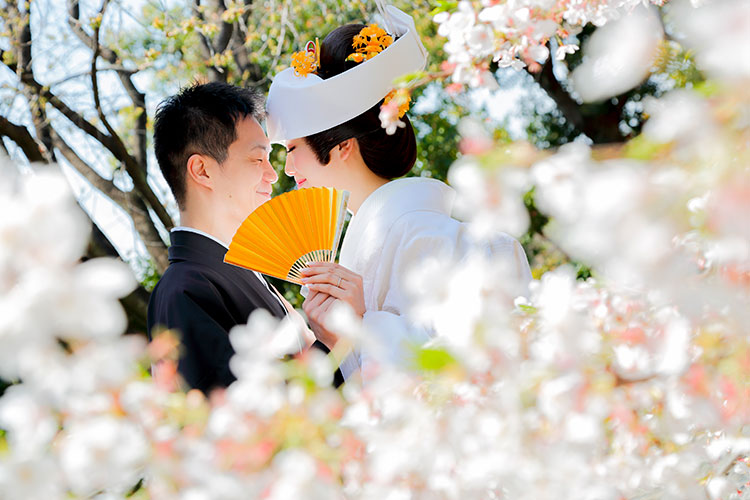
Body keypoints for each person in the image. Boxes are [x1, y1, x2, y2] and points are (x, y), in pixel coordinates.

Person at [266, 6, 532, 381]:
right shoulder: (374, 240)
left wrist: (362, 324)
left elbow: (466, 360)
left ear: (342, 147)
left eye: (292, 150)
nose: (288, 171)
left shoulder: (426, 235)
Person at [148, 82, 323, 394]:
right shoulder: (184, 289)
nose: (273, 174)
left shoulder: (237, 274)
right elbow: (233, 424)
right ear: (202, 170)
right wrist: (329, 343)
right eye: (257, 159)